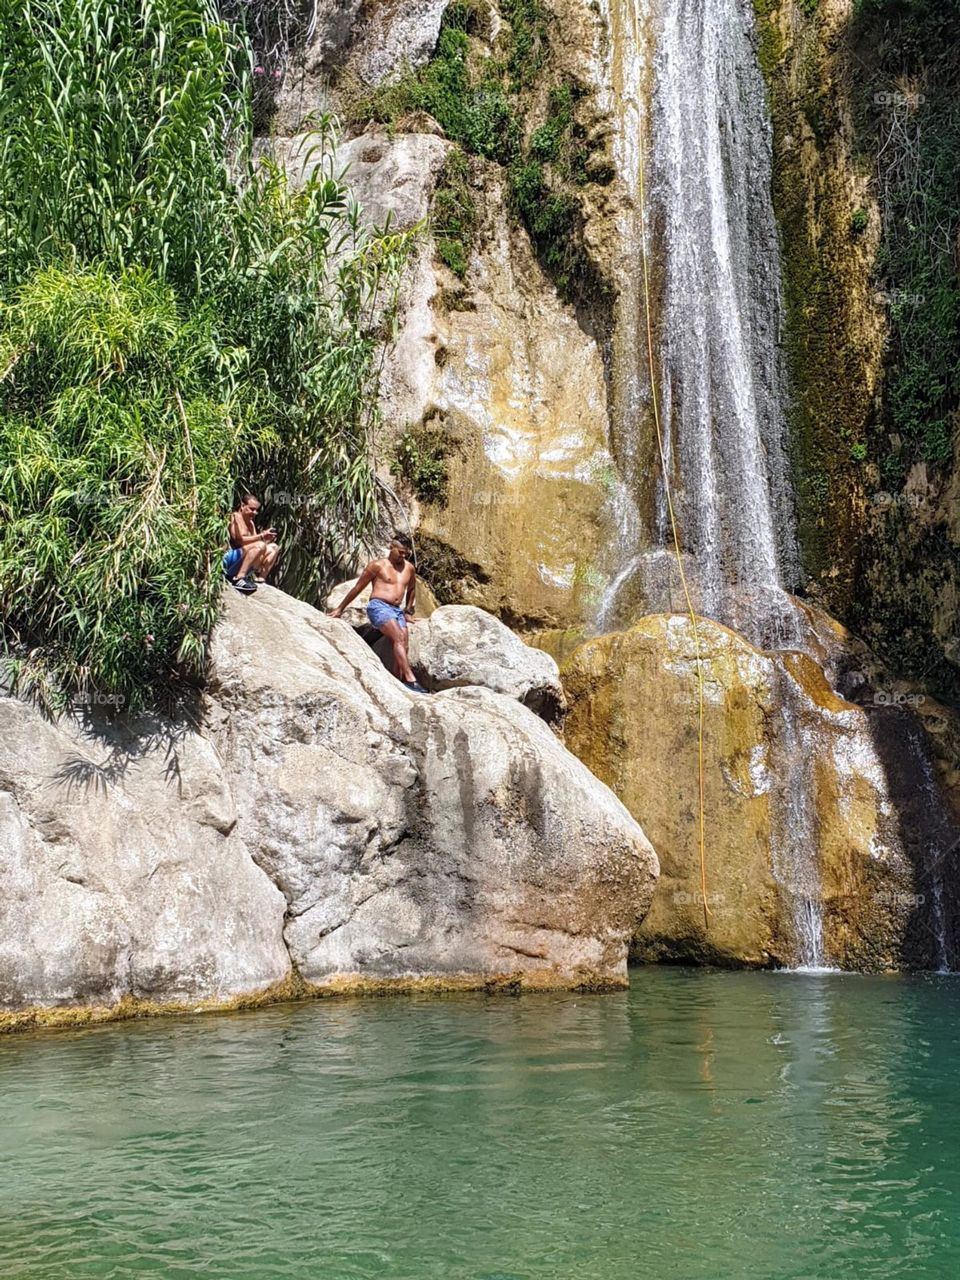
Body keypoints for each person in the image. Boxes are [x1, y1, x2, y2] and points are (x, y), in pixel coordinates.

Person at [329, 533, 427, 693]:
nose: (402, 555)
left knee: (405, 644)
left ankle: (398, 682)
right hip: (378, 606)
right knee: (399, 639)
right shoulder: (377, 566)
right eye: (400, 552)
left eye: (405, 553)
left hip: (397, 610)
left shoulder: (409, 568)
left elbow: (412, 590)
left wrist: (408, 611)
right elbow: (358, 587)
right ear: (391, 547)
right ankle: (411, 679)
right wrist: (340, 608)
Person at [223, 493, 279, 594]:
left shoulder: (251, 523)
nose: (254, 512)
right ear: (242, 506)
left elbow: (256, 542)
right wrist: (262, 536)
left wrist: (267, 538)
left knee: (273, 547)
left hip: (245, 558)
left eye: (256, 510)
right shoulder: (235, 517)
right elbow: (238, 540)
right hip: (231, 558)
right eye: (251, 509)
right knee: (260, 545)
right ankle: (238, 578)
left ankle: (261, 579)